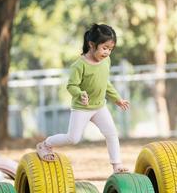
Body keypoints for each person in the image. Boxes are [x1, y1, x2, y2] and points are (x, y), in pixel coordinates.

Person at [36, 23, 129, 174]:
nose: (107, 53)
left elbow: (105, 82)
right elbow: (71, 85)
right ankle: (45, 144)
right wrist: (79, 94)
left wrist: (117, 99)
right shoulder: (79, 65)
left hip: (99, 107)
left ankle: (116, 165)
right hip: (82, 108)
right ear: (91, 44)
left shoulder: (106, 61)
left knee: (111, 133)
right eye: (104, 48)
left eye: (110, 49)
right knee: (73, 138)